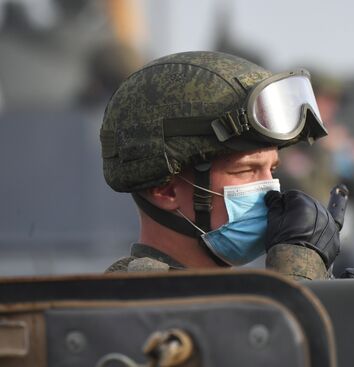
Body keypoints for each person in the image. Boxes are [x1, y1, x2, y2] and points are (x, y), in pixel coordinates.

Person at [101, 51, 340, 280]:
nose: (272, 194)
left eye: (272, 170)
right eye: (246, 171)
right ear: (166, 190)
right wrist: (300, 269)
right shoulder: (134, 298)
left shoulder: (224, 292)